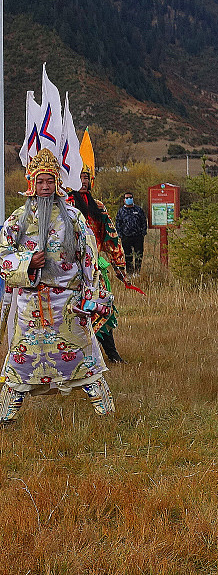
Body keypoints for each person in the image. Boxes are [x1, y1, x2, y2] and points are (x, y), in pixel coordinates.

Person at [0, 149, 113, 423]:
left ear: (57, 183)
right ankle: (6, 415)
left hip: (68, 306)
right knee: (20, 363)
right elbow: (3, 256)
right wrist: (27, 262)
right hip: (32, 308)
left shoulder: (74, 217)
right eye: (41, 182)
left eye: (50, 181)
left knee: (85, 360)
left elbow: (89, 257)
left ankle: (105, 412)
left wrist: (90, 294)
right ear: (32, 183)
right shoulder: (18, 219)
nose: (46, 187)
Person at [69, 167, 129, 364]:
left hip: (94, 268)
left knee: (101, 307)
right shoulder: (65, 204)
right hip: (69, 268)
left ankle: (112, 354)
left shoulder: (99, 207)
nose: (83, 181)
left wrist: (119, 265)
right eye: (79, 177)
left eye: (86, 177)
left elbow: (111, 237)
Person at [115, 192, 148, 276]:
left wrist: (143, 232)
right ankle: (130, 272)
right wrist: (120, 234)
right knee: (128, 255)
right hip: (126, 237)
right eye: (127, 198)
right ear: (124, 200)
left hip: (138, 237)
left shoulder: (138, 210)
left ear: (133, 198)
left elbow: (143, 221)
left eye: (130, 197)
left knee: (138, 254)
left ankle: (137, 272)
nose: (129, 199)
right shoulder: (121, 211)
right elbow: (118, 223)